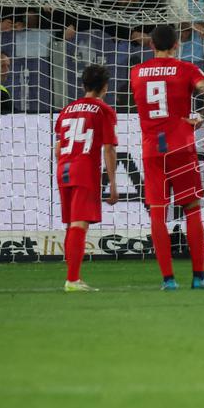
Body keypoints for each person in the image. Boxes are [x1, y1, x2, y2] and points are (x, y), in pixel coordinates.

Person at [130, 25, 204, 291]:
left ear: (151, 45)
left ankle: (168, 280)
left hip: (152, 150)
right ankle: (199, 277)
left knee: (158, 213)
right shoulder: (187, 69)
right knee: (192, 209)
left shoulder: (136, 72)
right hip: (181, 146)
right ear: (177, 45)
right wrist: (200, 117)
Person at [55, 64, 119, 292]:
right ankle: (72, 280)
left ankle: (73, 277)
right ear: (105, 87)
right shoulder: (104, 110)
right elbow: (109, 148)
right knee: (79, 224)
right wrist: (113, 183)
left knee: (71, 225)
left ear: (83, 85)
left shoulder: (67, 109)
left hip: (63, 168)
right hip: (84, 170)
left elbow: (58, 148)